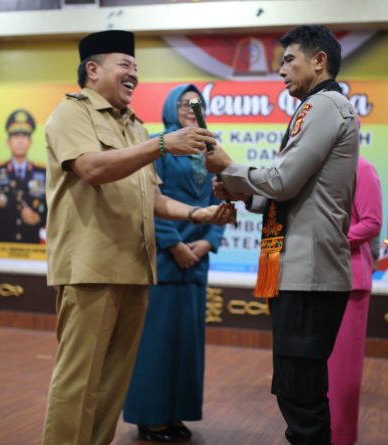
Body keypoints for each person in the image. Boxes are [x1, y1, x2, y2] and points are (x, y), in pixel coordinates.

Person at [41, 30, 235, 445]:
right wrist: (161, 144)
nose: (133, 74)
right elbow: (92, 168)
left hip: (135, 269)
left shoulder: (133, 126)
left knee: (112, 383)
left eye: (136, 67)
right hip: (91, 268)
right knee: (79, 381)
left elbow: (153, 198)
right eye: (124, 65)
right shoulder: (71, 113)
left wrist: (199, 213)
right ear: (93, 70)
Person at [207, 25, 359, 444]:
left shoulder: (324, 105)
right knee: (298, 388)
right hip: (302, 270)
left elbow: (284, 181)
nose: (281, 70)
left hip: (309, 273)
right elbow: (292, 191)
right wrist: (244, 193)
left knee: (301, 394)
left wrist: (228, 168)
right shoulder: (318, 105)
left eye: (290, 59)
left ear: (319, 61)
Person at [122, 84, 226, 443]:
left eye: (197, 104)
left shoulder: (210, 150)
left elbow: (222, 199)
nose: (190, 109)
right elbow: (150, 200)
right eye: (183, 103)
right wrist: (174, 244)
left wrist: (208, 242)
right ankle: (150, 418)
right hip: (163, 258)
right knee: (156, 342)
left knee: (186, 345)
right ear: (170, 107)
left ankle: (175, 414)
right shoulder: (158, 146)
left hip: (196, 260)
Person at [327, 155, 381, 445]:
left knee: (342, 370)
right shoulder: (316, 164)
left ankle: (341, 437)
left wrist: (329, 240)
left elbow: (372, 222)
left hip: (350, 279)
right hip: (318, 277)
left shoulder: (362, 168)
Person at [0, 109, 47, 243]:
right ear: (8, 142)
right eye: (15, 136)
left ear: (30, 142)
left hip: (31, 246)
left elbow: (50, 208)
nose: (20, 141)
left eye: (25, 136)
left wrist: (38, 217)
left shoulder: (41, 172)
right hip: (2, 245)